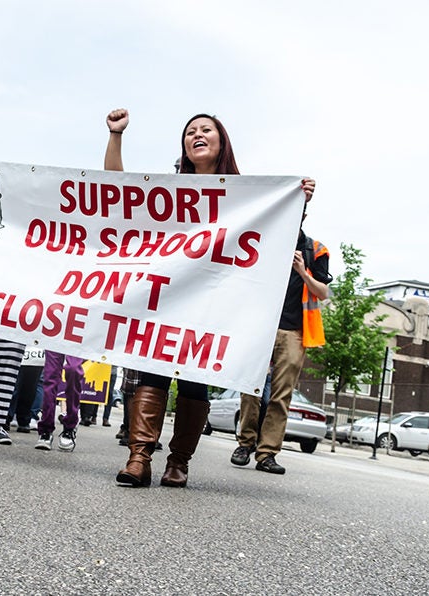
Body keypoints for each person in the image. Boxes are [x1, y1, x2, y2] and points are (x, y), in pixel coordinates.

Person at [105, 108, 315, 487]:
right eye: (190, 132)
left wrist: (298, 203)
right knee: (154, 370)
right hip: (168, 296)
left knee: (194, 378)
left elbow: (272, 239)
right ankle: (139, 457)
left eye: (206, 130)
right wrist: (116, 136)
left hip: (214, 304)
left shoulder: (247, 194)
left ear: (222, 142)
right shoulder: (170, 188)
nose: (196, 135)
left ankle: (179, 462)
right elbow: (117, 191)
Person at [231, 214, 330, 474]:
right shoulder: (265, 242)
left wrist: (302, 271)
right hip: (260, 328)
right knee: (249, 387)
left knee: (281, 394)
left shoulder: (316, 250)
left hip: (294, 331)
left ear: (304, 215)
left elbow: (322, 292)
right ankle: (245, 444)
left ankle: (267, 454)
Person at [34, 351, 84, 452]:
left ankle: (70, 426)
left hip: (78, 337)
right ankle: (45, 428)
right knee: (50, 375)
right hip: (55, 337)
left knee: (73, 370)